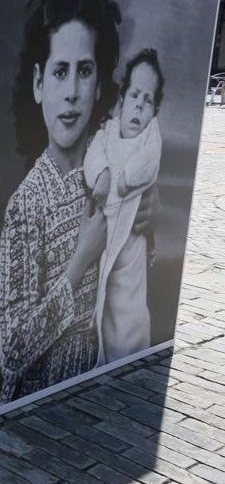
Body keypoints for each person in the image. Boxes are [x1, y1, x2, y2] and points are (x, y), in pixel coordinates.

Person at [0, 0, 154, 405]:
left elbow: (130, 284)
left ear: (100, 85)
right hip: (37, 409)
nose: (71, 93)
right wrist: (79, 262)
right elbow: (11, 351)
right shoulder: (26, 204)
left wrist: (143, 230)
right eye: (60, 72)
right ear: (38, 84)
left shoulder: (116, 173)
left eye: (84, 71)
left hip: (101, 391)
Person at [84, 48, 163, 364]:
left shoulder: (149, 136)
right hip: (106, 225)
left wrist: (129, 177)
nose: (139, 105)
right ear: (121, 100)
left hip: (130, 236)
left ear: (154, 112)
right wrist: (102, 173)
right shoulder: (108, 133)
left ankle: (128, 347)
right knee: (105, 296)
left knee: (128, 301)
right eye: (134, 95)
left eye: (148, 100)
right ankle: (105, 350)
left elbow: (150, 161)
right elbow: (95, 154)